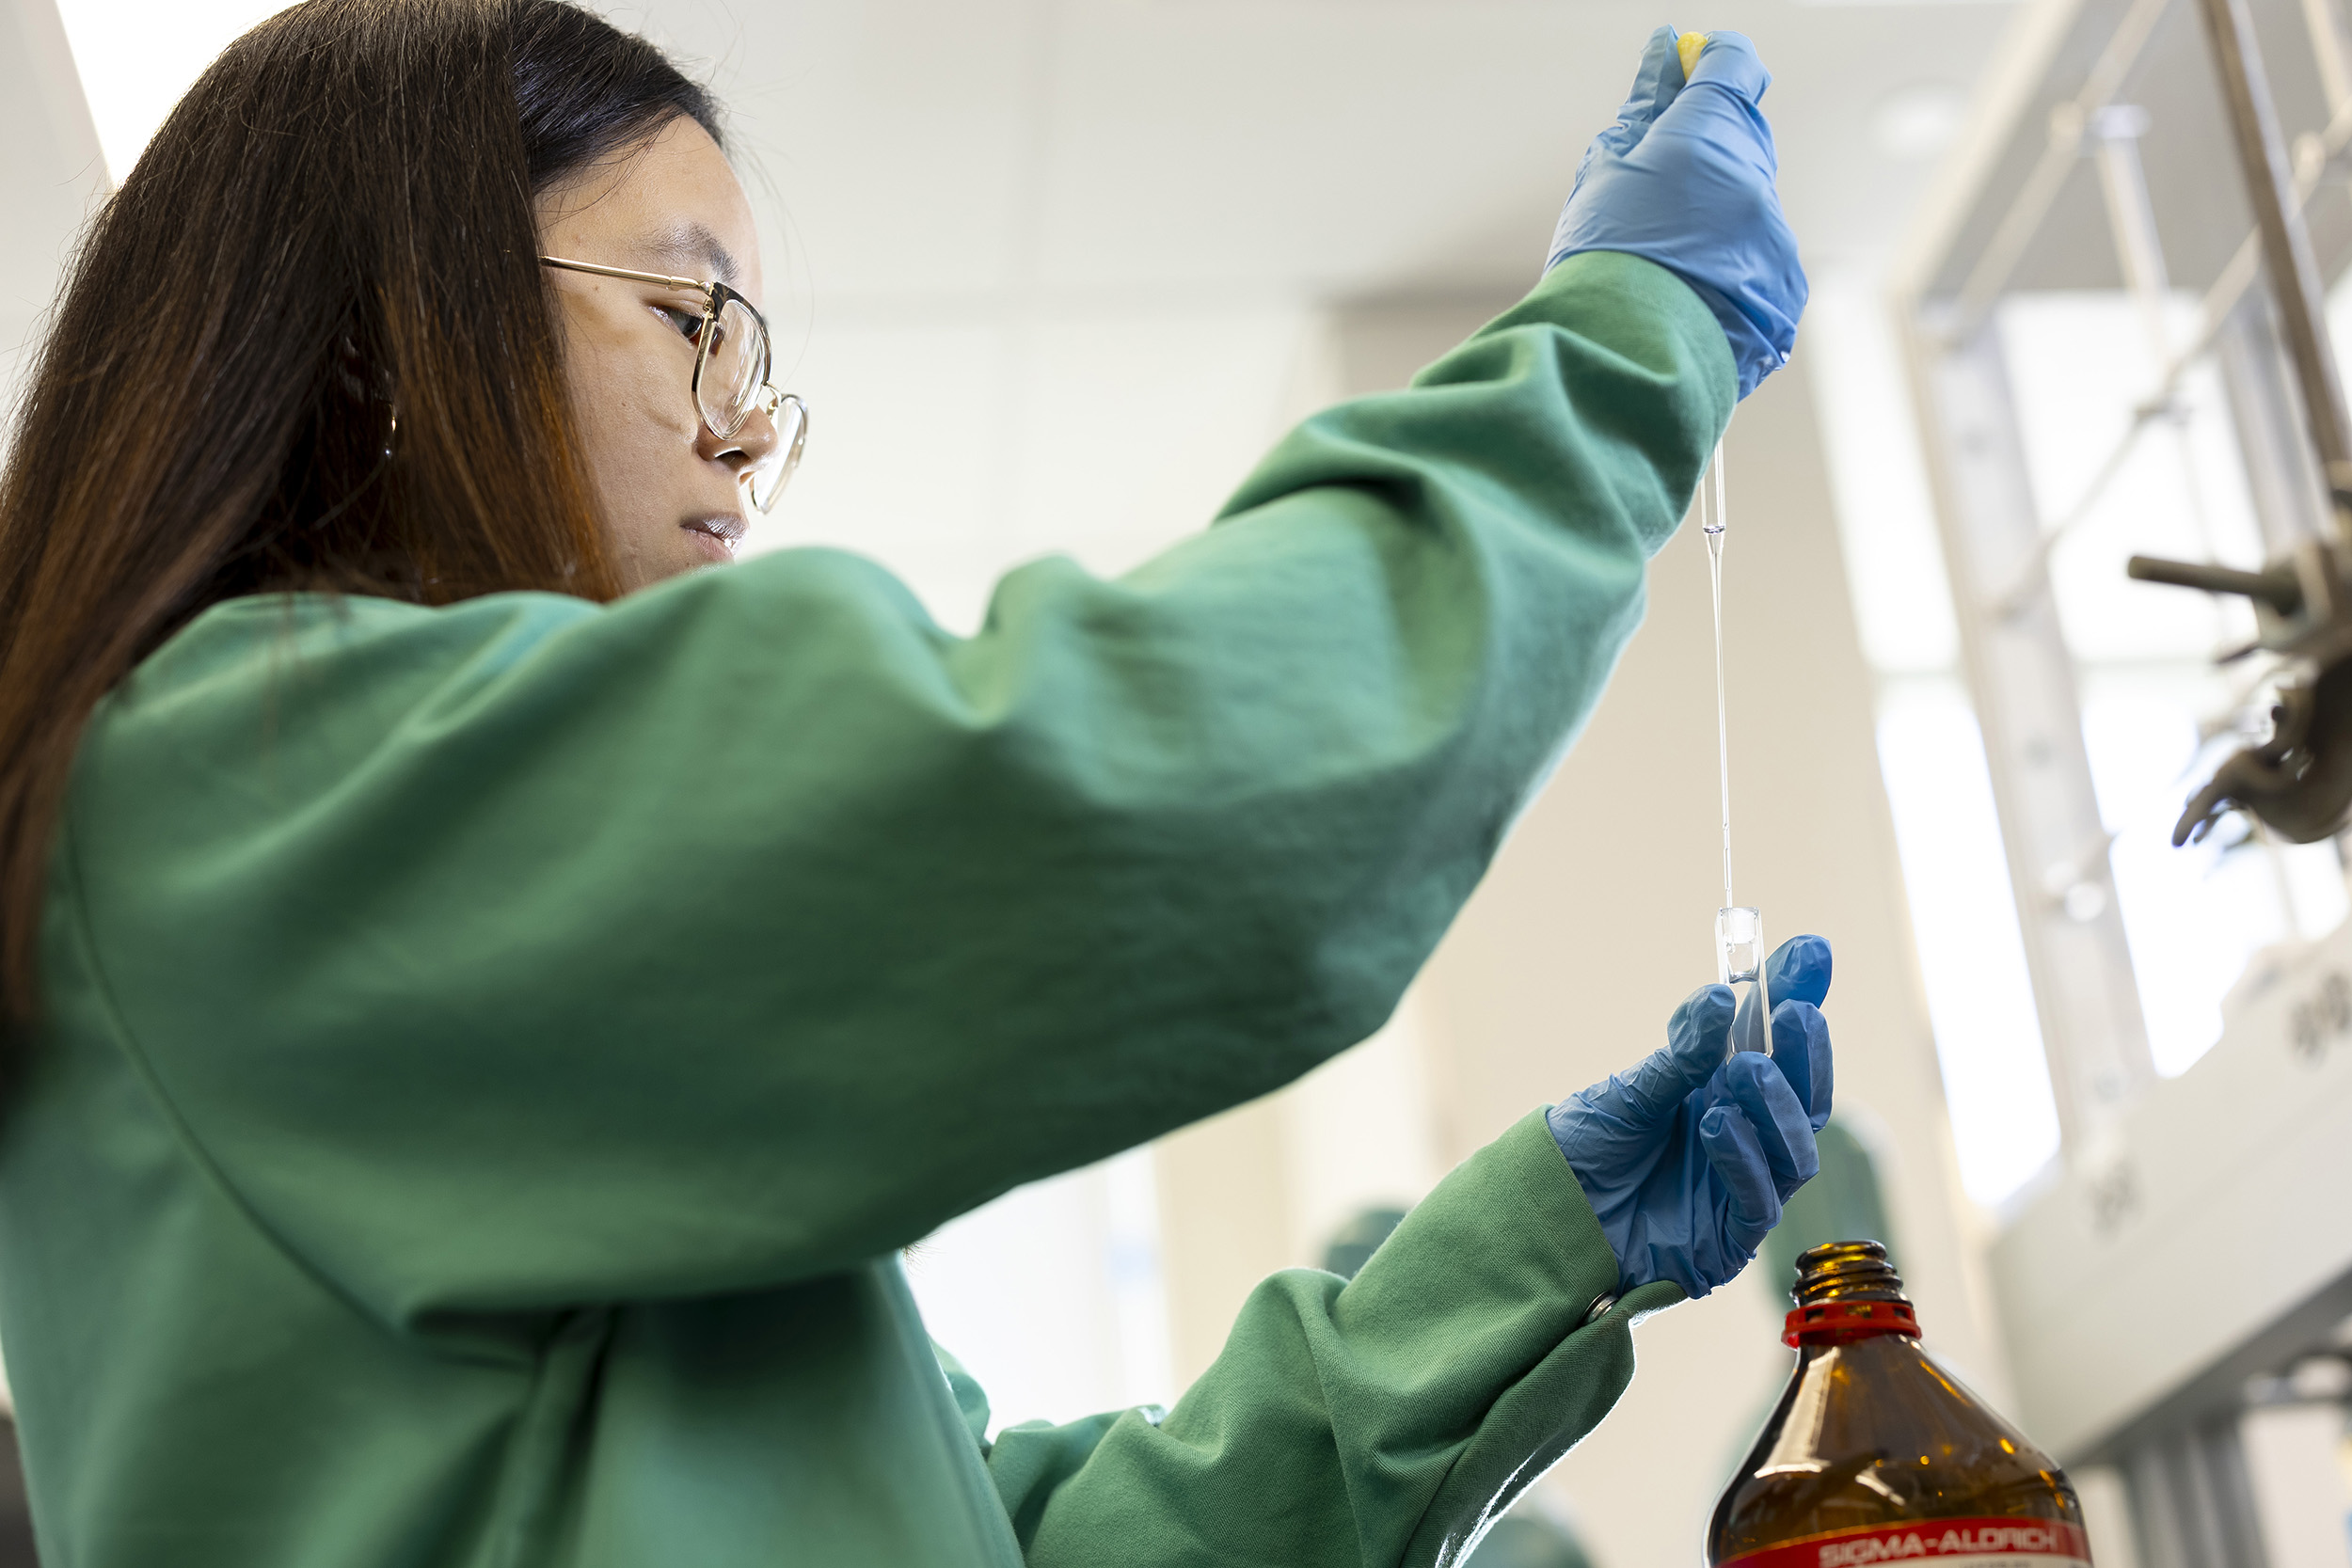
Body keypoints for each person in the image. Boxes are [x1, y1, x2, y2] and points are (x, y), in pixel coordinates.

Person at [0, 3, 1824, 1564]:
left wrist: (1514, 1266)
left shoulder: (454, 945)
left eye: (757, 354)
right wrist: (1621, 342)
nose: (740, 422)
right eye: (687, 311)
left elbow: (990, 1536)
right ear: (392, 321)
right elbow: (1129, 786)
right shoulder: (252, 781)